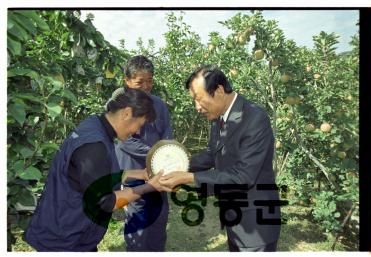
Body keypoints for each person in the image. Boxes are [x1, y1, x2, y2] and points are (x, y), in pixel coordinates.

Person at [24, 87, 170, 251]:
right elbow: (106, 202)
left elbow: (99, 177)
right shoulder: (94, 146)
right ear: (127, 113)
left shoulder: (95, 125)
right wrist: (149, 187)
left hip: (72, 229)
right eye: (139, 125)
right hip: (64, 238)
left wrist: (141, 174)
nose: (137, 132)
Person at [159, 65, 282, 252]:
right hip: (235, 217)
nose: (197, 107)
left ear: (218, 90)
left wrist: (189, 178)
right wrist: (179, 165)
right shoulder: (219, 117)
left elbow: (243, 176)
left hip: (256, 223)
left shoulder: (254, 118)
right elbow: (211, 153)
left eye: (199, 99)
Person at [115, 55, 172, 251]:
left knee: (159, 217)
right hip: (133, 172)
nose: (146, 86)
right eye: (140, 82)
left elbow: (167, 134)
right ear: (128, 82)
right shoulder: (119, 106)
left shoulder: (159, 105)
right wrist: (155, 154)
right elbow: (125, 141)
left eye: (150, 81)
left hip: (158, 172)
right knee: (138, 219)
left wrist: (167, 154)